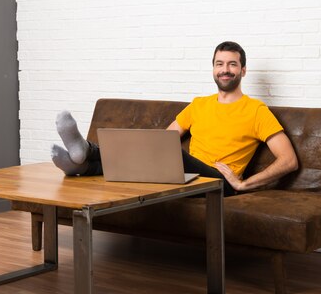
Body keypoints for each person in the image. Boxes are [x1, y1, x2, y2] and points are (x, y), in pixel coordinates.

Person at [51, 41, 298, 196]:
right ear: (213, 69)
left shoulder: (256, 110)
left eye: (232, 64)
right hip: (186, 177)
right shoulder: (199, 104)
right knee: (156, 150)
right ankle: (84, 160)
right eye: (219, 63)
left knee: (174, 155)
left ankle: (86, 155)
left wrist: (243, 184)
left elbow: (289, 160)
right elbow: (161, 143)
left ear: (243, 70)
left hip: (218, 182)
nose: (225, 69)